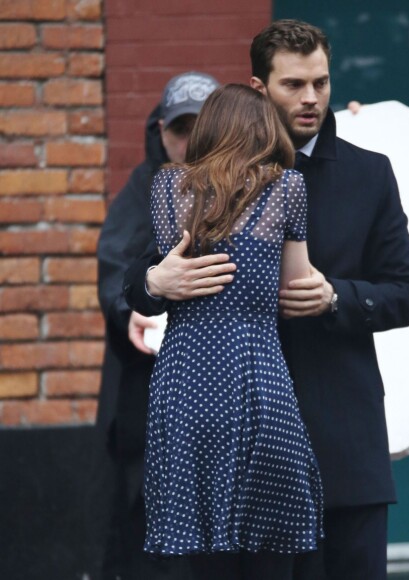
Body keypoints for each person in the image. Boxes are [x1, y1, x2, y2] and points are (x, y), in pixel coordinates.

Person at [123, 20, 409, 580]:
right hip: (229, 442)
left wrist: (338, 297)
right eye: (294, 85)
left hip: (340, 446)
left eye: (322, 82)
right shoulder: (195, 182)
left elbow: (407, 293)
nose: (311, 98)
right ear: (259, 88)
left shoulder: (368, 172)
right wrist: (155, 287)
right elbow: (140, 277)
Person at [144, 82, 324, 578]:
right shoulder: (287, 187)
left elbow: (168, 262)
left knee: (193, 550)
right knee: (268, 547)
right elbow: (295, 288)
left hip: (185, 380)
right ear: (266, 131)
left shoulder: (168, 188)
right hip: (256, 377)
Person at [95, 71, 221, 580]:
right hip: (150, 401)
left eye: (203, 127)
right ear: (161, 130)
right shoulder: (143, 190)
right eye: (180, 129)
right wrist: (134, 311)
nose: (190, 142)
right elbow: (113, 272)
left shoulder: (252, 191)